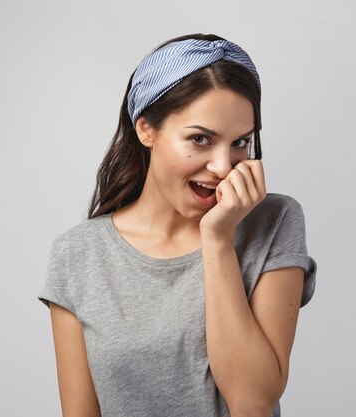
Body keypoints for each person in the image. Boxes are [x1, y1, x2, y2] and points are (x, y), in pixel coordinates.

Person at [37, 33, 317, 417]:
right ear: (146, 130)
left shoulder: (274, 222)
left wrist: (217, 240)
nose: (223, 166)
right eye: (200, 139)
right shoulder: (78, 255)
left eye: (240, 142)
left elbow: (252, 402)